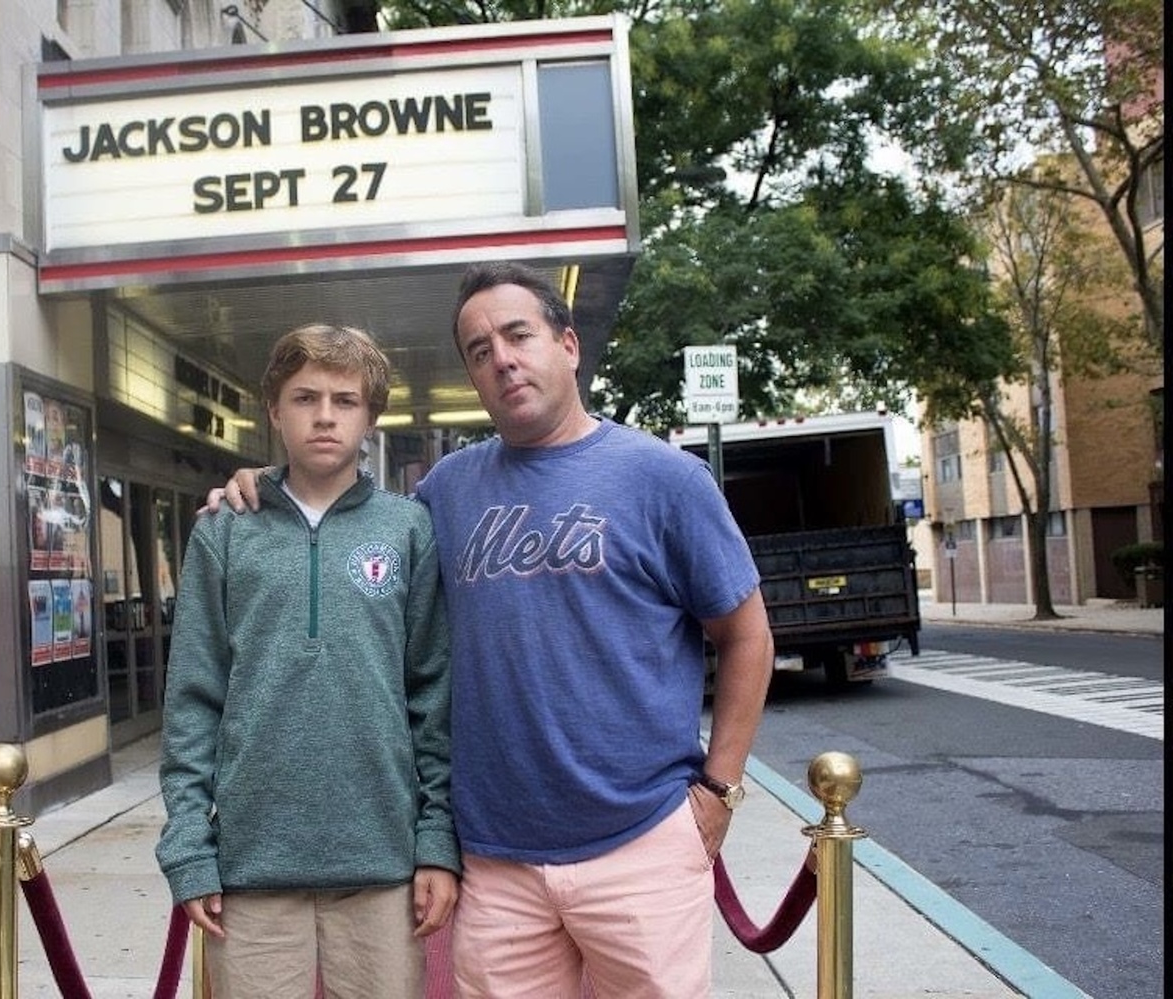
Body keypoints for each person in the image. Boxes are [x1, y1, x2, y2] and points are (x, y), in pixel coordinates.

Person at [209, 262, 775, 999]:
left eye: (518, 335)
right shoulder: (446, 492)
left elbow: (747, 635)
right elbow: (345, 515)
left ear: (568, 344)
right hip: (498, 861)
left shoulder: (665, 480)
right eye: (479, 350)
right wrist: (261, 489)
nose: (501, 358)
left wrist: (717, 792)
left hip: (640, 841)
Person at [156, 322, 459, 999]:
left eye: (346, 400)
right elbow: (192, 703)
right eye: (305, 397)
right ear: (274, 409)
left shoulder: (408, 530)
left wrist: (436, 839)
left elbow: (432, 697)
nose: (325, 415)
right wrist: (188, 848)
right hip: (250, 869)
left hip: (381, 865)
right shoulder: (224, 531)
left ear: (371, 415)